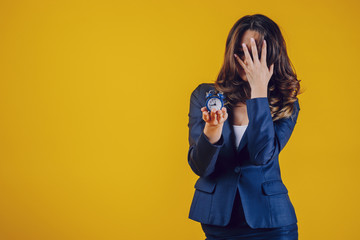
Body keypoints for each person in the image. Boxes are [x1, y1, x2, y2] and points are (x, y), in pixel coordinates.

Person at [187, 14, 303, 240]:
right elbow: (201, 168)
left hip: (272, 224)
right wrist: (212, 131)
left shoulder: (286, 102)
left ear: (272, 55)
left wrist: (259, 90)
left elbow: (262, 155)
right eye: (241, 52)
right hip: (218, 222)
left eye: (255, 52)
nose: (247, 61)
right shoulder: (205, 96)